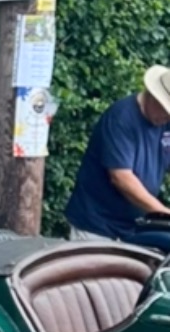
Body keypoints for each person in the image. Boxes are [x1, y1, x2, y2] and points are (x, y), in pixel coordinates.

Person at [65, 65, 170, 252]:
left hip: (132, 227)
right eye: (166, 110)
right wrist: (164, 214)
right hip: (96, 226)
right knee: (95, 280)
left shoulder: (165, 121)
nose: (168, 117)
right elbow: (122, 178)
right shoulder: (121, 118)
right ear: (152, 96)